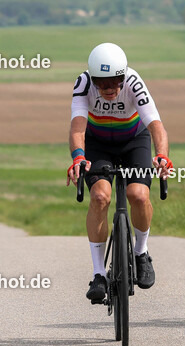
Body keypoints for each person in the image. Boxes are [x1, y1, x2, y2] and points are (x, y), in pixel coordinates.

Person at [66, 42, 172, 303]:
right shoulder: (83, 83)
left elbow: (156, 125)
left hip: (133, 140)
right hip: (98, 144)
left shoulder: (134, 82)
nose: (111, 89)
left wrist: (162, 155)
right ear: (93, 79)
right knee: (100, 197)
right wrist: (78, 157)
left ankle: (141, 252)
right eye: (103, 84)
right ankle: (99, 274)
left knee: (138, 194)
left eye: (116, 81)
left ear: (124, 76)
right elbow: (78, 126)